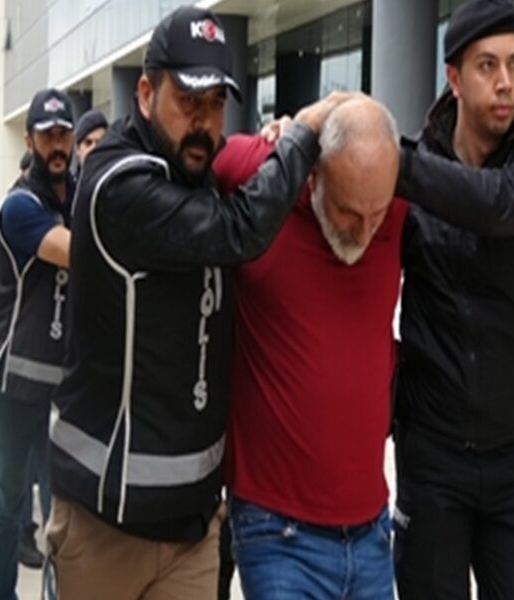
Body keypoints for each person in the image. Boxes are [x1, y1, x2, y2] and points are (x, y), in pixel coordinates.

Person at [46, 6, 347, 598]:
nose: (204, 122)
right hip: (105, 523)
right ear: (145, 93)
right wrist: (305, 135)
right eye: (187, 100)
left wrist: (271, 142)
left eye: (215, 104)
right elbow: (239, 228)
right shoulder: (119, 183)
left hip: (193, 528)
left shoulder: (193, 167)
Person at [391, 0, 514, 598]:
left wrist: (394, 162)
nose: (505, 83)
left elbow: (496, 203)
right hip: (432, 460)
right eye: (487, 65)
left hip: (513, 462)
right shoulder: (417, 168)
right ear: (453, 77)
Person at [212, 96, 405, 599]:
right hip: (277, 532)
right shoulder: (263, 182)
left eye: (377, 214)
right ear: (313, 177)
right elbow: (211, 156)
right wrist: (303, 124)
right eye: (348, 213)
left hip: (371, 532)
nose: (365, 233)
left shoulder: (394, 206)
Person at [0, 87, 75, 600]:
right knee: (10, 499)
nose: (57, 144)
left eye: (64, 134)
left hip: (64, 385)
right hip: (10, 380)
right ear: (30, 141)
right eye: (47, 135)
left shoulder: (80, 196)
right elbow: (78, 253)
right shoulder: (19, 206)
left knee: (61, 506)